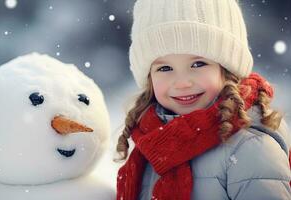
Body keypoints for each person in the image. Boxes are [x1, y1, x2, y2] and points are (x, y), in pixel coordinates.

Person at [115, 0, 291, 199]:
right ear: (149, 78)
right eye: (165, 68)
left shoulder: (250, 148)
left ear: (227, 70)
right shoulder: (151, 145)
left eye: (198, 64)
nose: (182, 82)